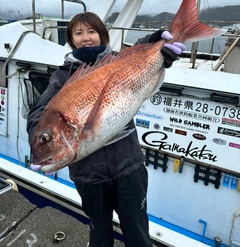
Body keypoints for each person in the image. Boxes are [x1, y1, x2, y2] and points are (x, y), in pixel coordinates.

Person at [27, 12, 185, 247]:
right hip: (89, 178)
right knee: (99, 236)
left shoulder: (117, 60)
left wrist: (157, 46)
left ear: (101, 35)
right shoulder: (62, 76)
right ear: (71, 39)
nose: (86, 38)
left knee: (138, 234)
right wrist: (41, 141)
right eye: (78, 33)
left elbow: (134, 58)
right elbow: (37, 115)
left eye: (91, 31)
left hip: (128, 168)